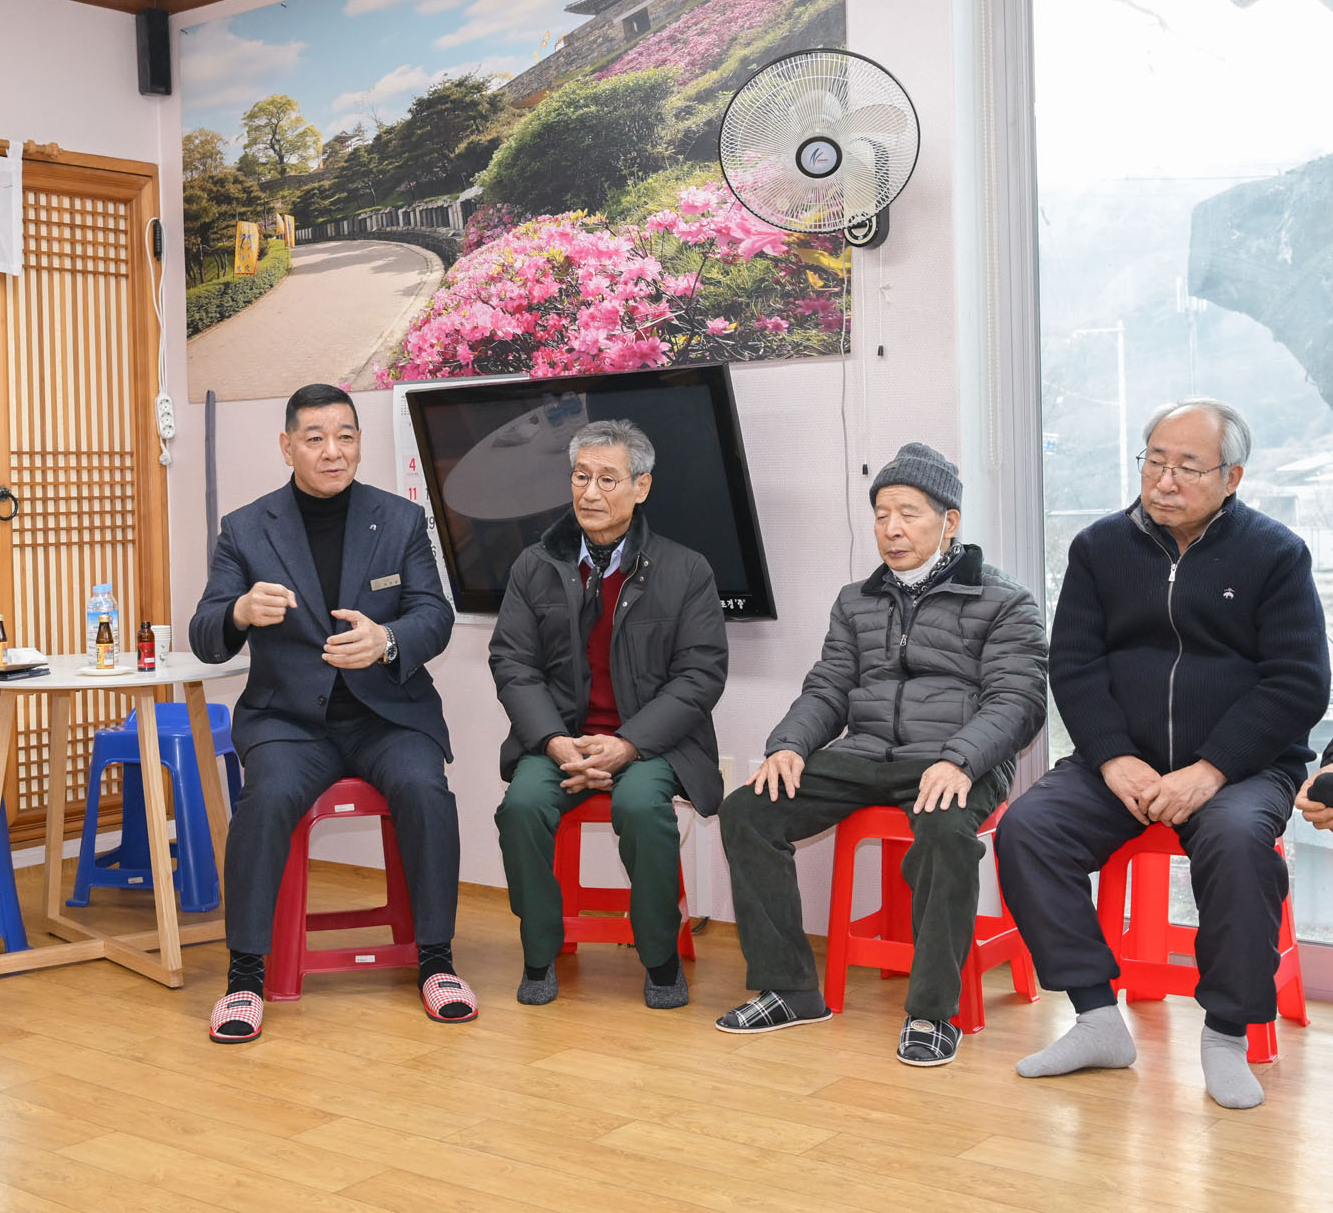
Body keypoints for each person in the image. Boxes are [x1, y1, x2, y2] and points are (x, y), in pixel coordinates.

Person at [997, 400, 1329, 1109]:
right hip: (1125, 762)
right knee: (1028, 829)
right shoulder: (1099, 547)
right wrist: (1111, 756)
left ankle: (1226, 1036)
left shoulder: (1275, 554)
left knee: (1239, 844)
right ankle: (1095, 1019)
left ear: (1232, 477)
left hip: (1240, 767)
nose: (1165, 480)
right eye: (1154, 460)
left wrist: (1211, 769)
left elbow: (1299, 682)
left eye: (1187, 467)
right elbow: (1075, 664)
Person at [715, 443, 1047, 1067]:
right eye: (881, 514)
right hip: (866, 753)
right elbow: (829, 687)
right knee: (748, 811)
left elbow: (1018, 701)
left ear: (949, 522)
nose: (891, 528)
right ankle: (790, 991)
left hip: (955, 760)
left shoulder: (1006, 601)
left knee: (945, 831)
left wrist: (961, 759)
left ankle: (932, 1012)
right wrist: (788, 744)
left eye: (909, 514)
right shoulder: (856, 600)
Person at [191, 383, 465, 1042]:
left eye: (345, 436)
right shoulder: (246, 528)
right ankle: (245, 976)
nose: (332, 451)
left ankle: (437, 962)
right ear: (287, 447)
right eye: (315, 438)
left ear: (359, 443)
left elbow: (434, 615)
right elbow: (204, 634)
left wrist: (387, 640)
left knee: (425, 789)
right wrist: (238, 612)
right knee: (265, 800)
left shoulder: (399, 520)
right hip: (289, 722)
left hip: (387, 716)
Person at [489, 419, 728, 1008]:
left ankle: (660, 959)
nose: (590, 493)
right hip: (561, 740)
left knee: (641, 807)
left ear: (641, 487)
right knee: (521, 807)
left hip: (652, 744)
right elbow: (513, 663)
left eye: (607, 479)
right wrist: (552, 741)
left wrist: (627, 744)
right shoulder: (534, 566)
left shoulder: (686, 569)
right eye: (580, 477)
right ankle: (539, 953)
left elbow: (700, 675)